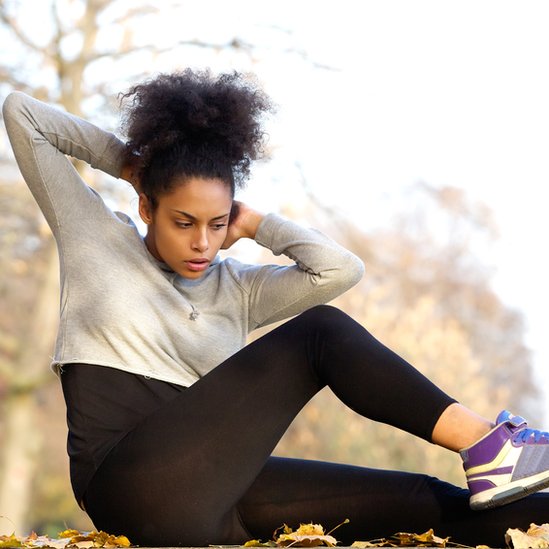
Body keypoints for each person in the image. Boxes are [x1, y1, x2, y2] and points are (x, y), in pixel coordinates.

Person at [3, 69, 549, 548]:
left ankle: (510, 479)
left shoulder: (237, 290)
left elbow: (339, 270)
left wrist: (258, 224)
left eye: (217, 225)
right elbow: (23, 116)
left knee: (424, 497)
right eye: (183, 221)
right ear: (146, 206)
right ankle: (485, 444)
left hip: (210, 494)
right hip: (130, 486)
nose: (203, 243)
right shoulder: (97, 238)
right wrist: (137, 166)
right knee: (319, 334)